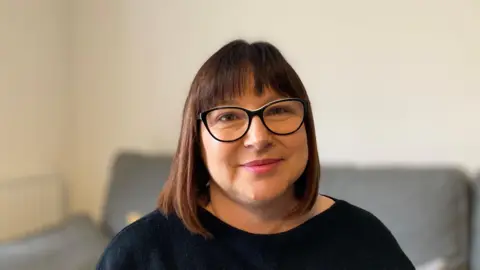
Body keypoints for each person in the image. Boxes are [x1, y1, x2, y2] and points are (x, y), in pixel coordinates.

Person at [96, 39, 415, 269]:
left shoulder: (365, 240)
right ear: (196, 140)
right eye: (229, 117)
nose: (259, 138)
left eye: (278, 110)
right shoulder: (139, 255)